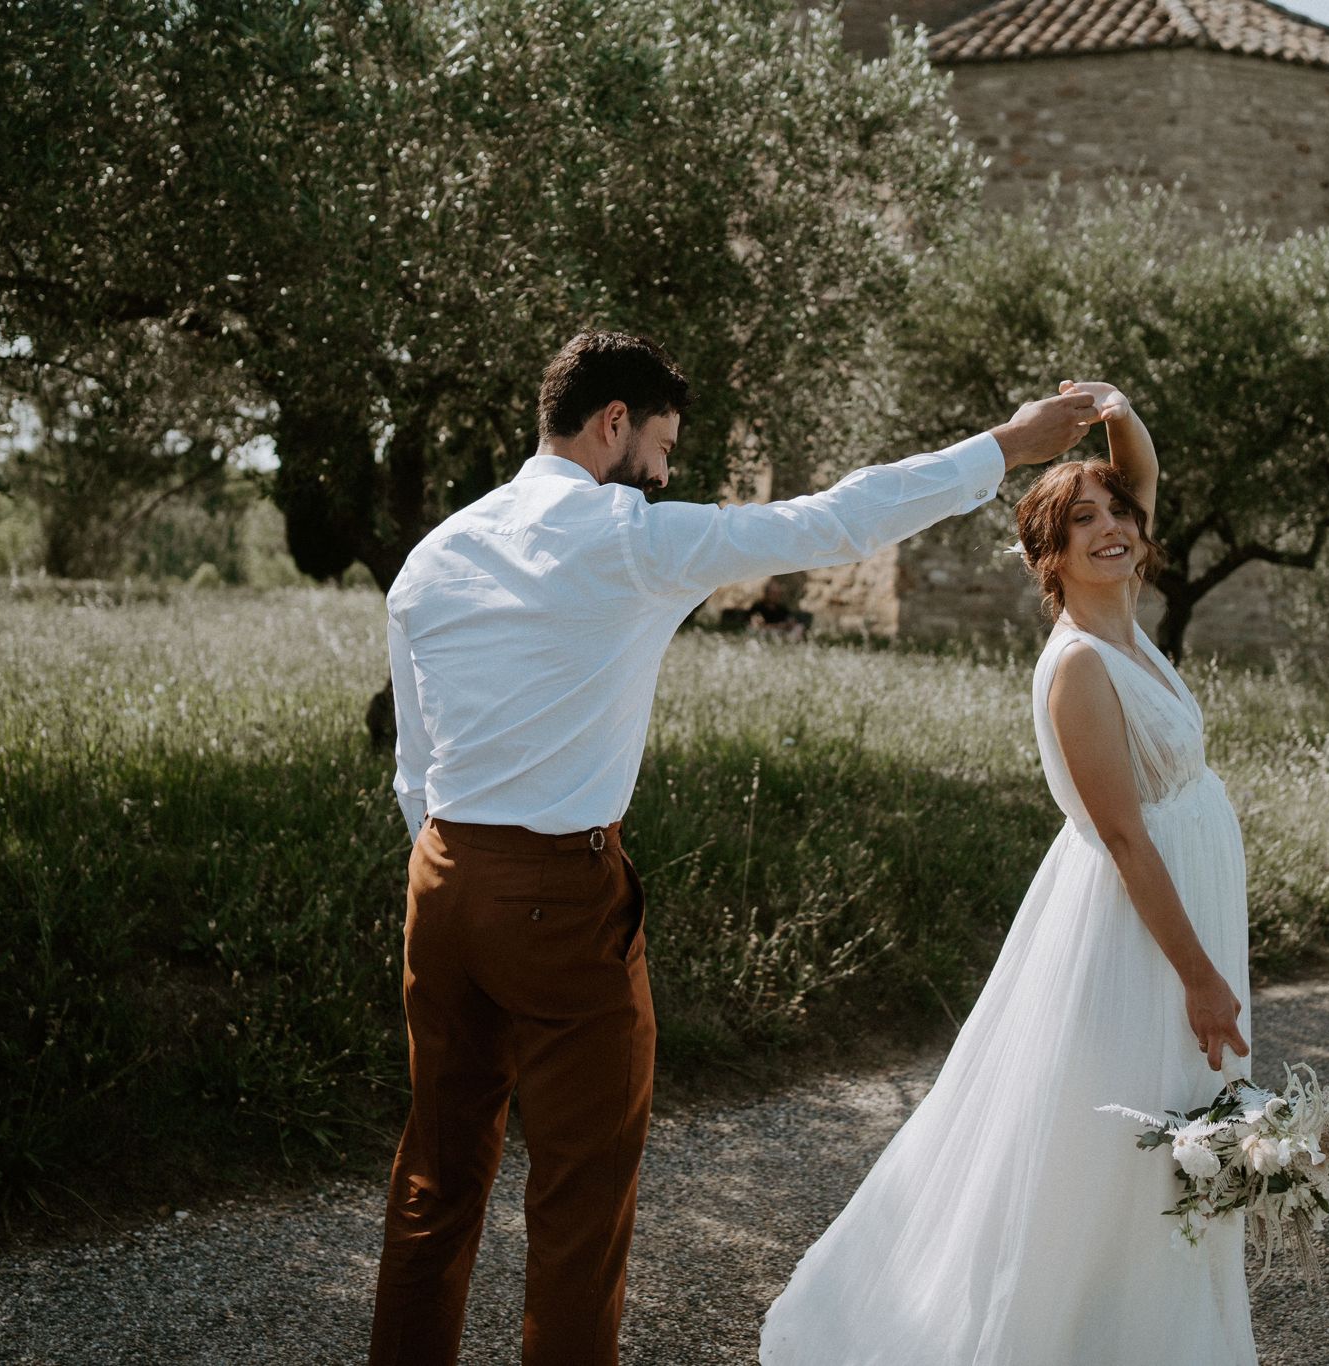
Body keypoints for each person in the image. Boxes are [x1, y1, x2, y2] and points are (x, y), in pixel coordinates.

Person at [369, 330, 1107, 1366]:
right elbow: (842, 518)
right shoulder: (631, 538)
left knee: (433, 1180)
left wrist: (447, 869)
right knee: (579, 1203)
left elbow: (414, 762)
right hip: (557, 897)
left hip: (438, 884)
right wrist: (1009, 444)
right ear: (612, 423)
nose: (667, 473)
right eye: (661, 445)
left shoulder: (432, 555)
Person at [758, 380, 1259, 1365]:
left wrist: (1111, 409)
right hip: (1131, 928)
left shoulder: (1127, 619)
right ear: (1049, 555)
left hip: (1182, 901)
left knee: (1172, 1122)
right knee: (1108, 1134)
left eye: (1118, 514)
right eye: (1083, 520)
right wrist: (1200, 977)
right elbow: (1122, 838)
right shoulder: (1079, 663)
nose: (1112, 527)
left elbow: (1141, 470)